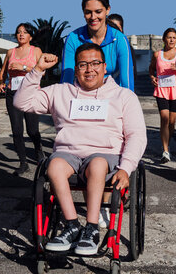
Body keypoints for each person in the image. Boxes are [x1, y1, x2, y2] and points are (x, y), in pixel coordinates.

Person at [14, 43, 147, 255]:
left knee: (97, 165)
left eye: (95, 63)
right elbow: (22, 102)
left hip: (105, 155)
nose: (89, 69)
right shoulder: (61, 92)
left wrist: (126, 167)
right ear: (75, 69)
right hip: (69, 153)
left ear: (105, 67)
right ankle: (72, 224)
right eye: (83, 64)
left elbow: (137, 135)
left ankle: (92, 228)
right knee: (54, 166)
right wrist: (37, 70)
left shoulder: (123, 96)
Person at [61, 0, 134, 90]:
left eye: (98, 11)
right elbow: (66, 80)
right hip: (81, 97)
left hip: (112, 97)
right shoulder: (73, 39)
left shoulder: (120, 39)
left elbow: (127, 81)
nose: (93, 17)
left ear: (107, 10)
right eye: (88, 12)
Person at [0, 23, 44, 175]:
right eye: (18, 32)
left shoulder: (36, 51)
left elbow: (42, 72)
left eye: (24, 32)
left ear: (30, 36)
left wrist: (23, 68)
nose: (21, 35)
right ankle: (23, 162)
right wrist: (1, 83)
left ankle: (38, 150)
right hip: (13, 93)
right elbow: (4, 71)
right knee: (17, 131)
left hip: (31, 94)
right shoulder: (11, 52)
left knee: (32, 130)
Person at [149, 28, 176, 163]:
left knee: (172, 121)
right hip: (161, 89)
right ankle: (165, 151)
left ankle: (167, 143)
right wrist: (152, 77)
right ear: (164, 39)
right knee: (164, 118)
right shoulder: (158, 55)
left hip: (175, 90)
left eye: (174, 38)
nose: (171, 40)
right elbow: (151, 68)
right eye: (169, 37)